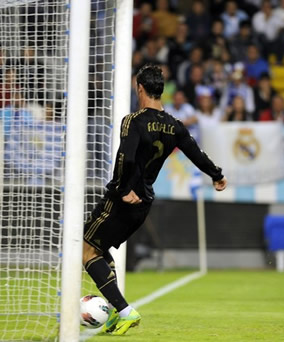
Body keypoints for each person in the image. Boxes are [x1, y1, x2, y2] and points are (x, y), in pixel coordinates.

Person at [82, 64, 227, 336]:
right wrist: (216, 175)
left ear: (140, 88)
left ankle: (124, 312)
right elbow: (195, 153)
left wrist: (123, 188)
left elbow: (127, 157)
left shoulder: (133, 121)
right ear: (160, 90)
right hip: (145, 202)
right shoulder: (175, 126)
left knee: (87, 251)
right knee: (99, 251)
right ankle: (116, 311)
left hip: (123, 199)